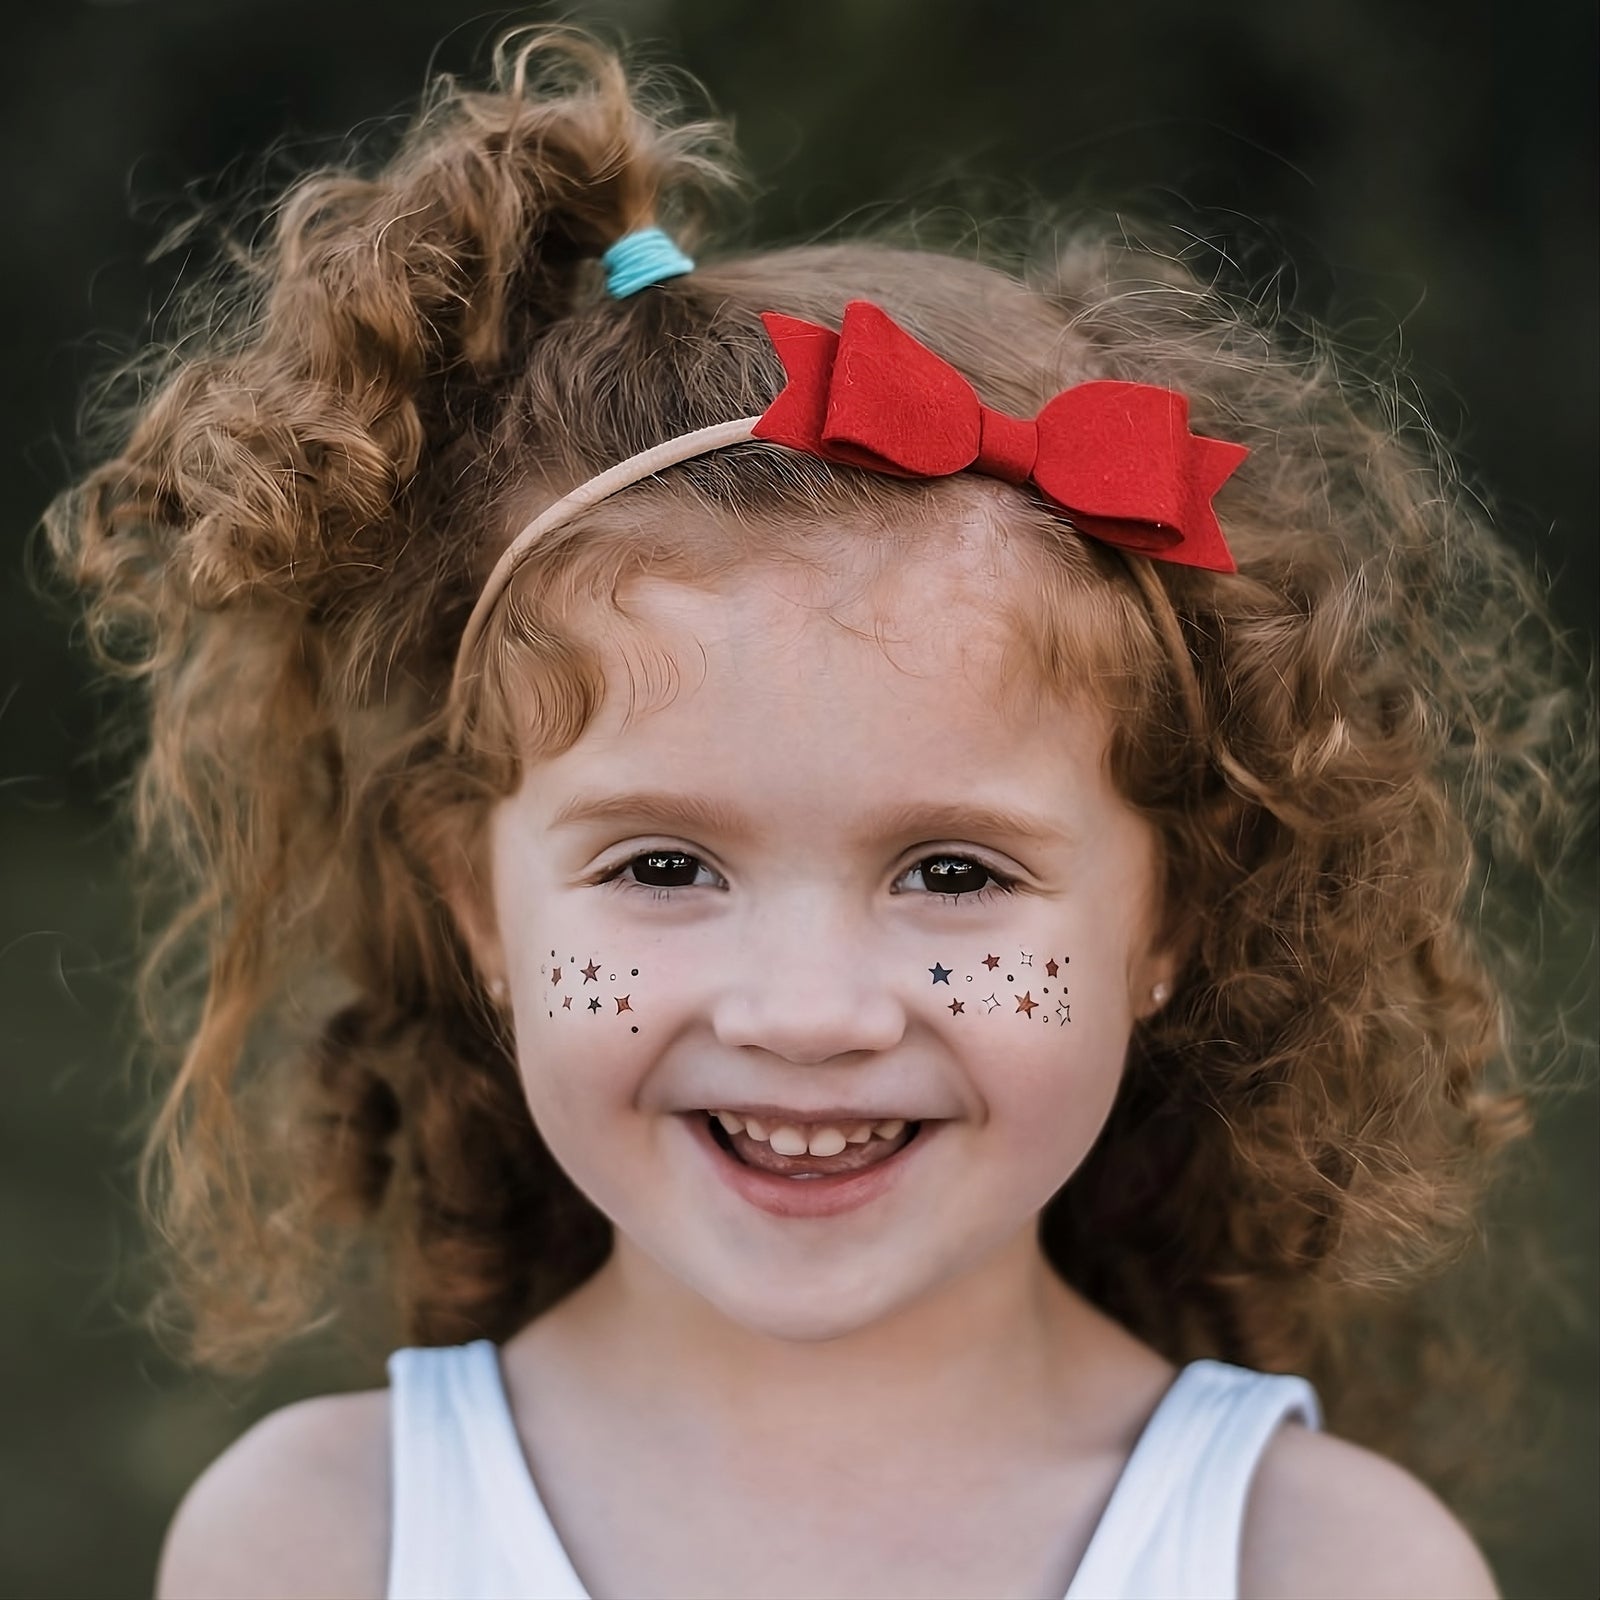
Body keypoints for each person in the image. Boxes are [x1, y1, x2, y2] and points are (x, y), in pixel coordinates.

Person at [45, 25, 1591, 1600]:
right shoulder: (317, 1544)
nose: (807, 1014)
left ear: (1173, 917)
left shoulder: (1325, 1567)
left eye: (952, 869)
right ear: (472, 904)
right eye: (662, 863)